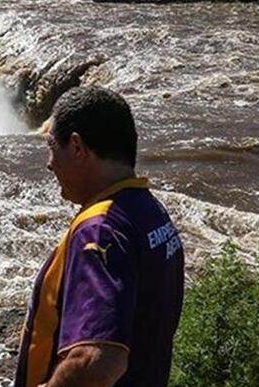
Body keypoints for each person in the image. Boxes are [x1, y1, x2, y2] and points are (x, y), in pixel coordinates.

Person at [15, 87, 184, 387]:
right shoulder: (149, 211)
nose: (49, 162)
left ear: (78, 148)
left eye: (52, 146)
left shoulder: (100, 230)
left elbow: (97, 360)